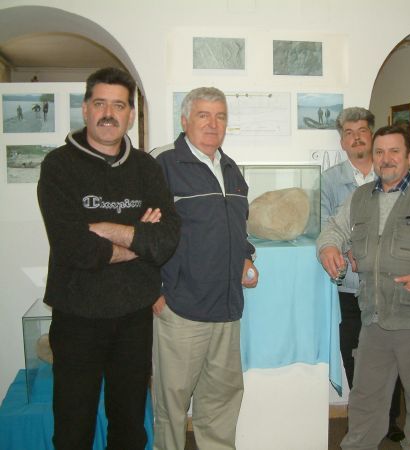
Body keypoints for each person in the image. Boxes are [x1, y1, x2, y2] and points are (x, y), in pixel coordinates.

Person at [37, 67, 180, 450]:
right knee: (73, 429)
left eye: (118, 106)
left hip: (134, 317)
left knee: (130, 427)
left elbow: (167, 238)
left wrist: (106, 229)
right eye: (100, 103)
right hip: (77, 317)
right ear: (85, 109)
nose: (108, 114)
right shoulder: (58, 166)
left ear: (130, 115)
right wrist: (139, 239)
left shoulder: (147, 168)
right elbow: (73, 247)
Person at [318, 125, 410, 449]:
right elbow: (334, 228)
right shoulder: (360, 197)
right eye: (379, 152)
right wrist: (328, 247)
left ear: (409, 157)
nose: (386, 158)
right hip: (375, 319)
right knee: (364, 403)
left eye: (394, 151)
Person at [151, 87, 259, 450]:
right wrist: (154, 291)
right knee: (171, 406)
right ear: (184, 120)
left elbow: (238, 228)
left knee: (221, 403)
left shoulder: (231, 169)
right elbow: (142, 234)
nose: (213, 124)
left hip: (227, 310)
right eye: (203, 115)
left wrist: (246, 257)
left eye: (220, 116)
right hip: (181, 310)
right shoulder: (162, 165)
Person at [321, 107, 404, 442]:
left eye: (362, 131)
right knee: (354, 355)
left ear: (372, 135)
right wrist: (345, 252)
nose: (356, 138)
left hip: (389, 286)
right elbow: (325, 227)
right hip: (349, 288)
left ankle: (390, 418)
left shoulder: (392, 172)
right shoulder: (329, 181)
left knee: (391, 354)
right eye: (348, 133)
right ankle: (363, 416)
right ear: (342, 141)